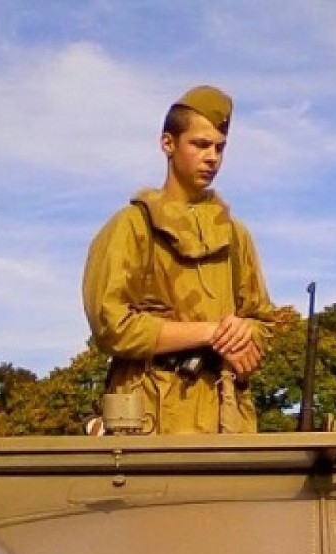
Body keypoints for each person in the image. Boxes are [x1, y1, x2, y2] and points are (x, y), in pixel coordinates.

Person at [82, 84, 275, 435]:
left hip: (224, 419)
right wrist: (211, 333)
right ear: (167, 143)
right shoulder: (132, 227)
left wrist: (244, 337)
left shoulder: (236, 236)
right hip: (147, 419)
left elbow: (263, 323)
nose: (212, 157)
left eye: (220, 148)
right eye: (200, 144)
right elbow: (112, 325)